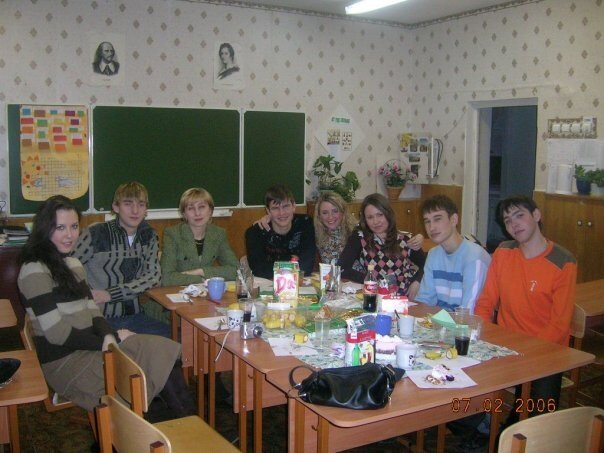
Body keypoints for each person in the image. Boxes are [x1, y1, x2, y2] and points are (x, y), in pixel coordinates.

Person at [17, 195, 195, 417]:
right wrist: (111, 341)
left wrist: (110, 336)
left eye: (74, 227)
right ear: (44, 229)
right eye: (60, 227)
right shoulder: (34, 270)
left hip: (91, 346)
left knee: (161, 352)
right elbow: (57, 334)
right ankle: (148, 426)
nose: (69, 235)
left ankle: (188, 422)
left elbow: (93, 311)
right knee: (136, 379)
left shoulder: (73, 264)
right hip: (66, 361)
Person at [475, 195, 577, 425]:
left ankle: (511, 430)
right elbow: (486, 301)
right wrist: (482, 336)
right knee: (464, 390)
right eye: (508, 220)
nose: (514, 224)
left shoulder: (563, 261)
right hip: (506, 346)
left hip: (547, 351)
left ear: (536, 215)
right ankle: (483, 429)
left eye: (519, 215)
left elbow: (559, 325)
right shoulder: (504, 252)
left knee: (538, 418)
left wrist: (525, 354)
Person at [73, 182, 169, 337]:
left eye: (141, 204)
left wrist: (111, 294)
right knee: (123, 345)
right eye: (128, 204)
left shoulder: (149, 235)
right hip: (99, 317)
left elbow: (153, 276)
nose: (135, 211)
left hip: (134, 315)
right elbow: (67, 267)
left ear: (146, 209)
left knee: (172, 339)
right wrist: (85, 294)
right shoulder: (95, 234)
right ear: (116, 207)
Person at [339, 193, 426, 300]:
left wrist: (417, 281)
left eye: (380, 215)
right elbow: (342, 268)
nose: (376, 221)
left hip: (405, 299)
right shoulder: (359, 238)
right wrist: (371, 280)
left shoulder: (404, 239)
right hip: (376, 298)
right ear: (364, 220)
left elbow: (426, 265)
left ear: (388, 214)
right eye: (370, 217)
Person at [414, 195, 491, 311]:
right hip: (439, 320)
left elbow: (468, 311)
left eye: (437, 219)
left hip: (467, 321)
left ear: (454, 220)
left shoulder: (474, 257)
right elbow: (425, 301)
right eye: (427, 221)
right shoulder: (433, 254)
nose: (431, 227)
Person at [161, 188, 238, 285]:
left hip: (206, 292)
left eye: (201, 207)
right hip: (178, 292)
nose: (197, 213)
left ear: (210, 210)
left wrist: (202, 272)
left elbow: (236, 270)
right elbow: (166, 278)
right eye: (191, 208)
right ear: (184, 214)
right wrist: (201, 279)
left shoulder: (218, 234)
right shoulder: (173, 234)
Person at [245, 184, 316, 279]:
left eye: (286, 206)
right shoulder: (255, 233)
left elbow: (306, 267)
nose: (281, 213)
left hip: (298, 284)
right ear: (268, 211)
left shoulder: (305, 224)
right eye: (275, 208)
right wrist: (292, 259)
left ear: (294, 206)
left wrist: (274, 263)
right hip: (268, 284)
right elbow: (259, 270)